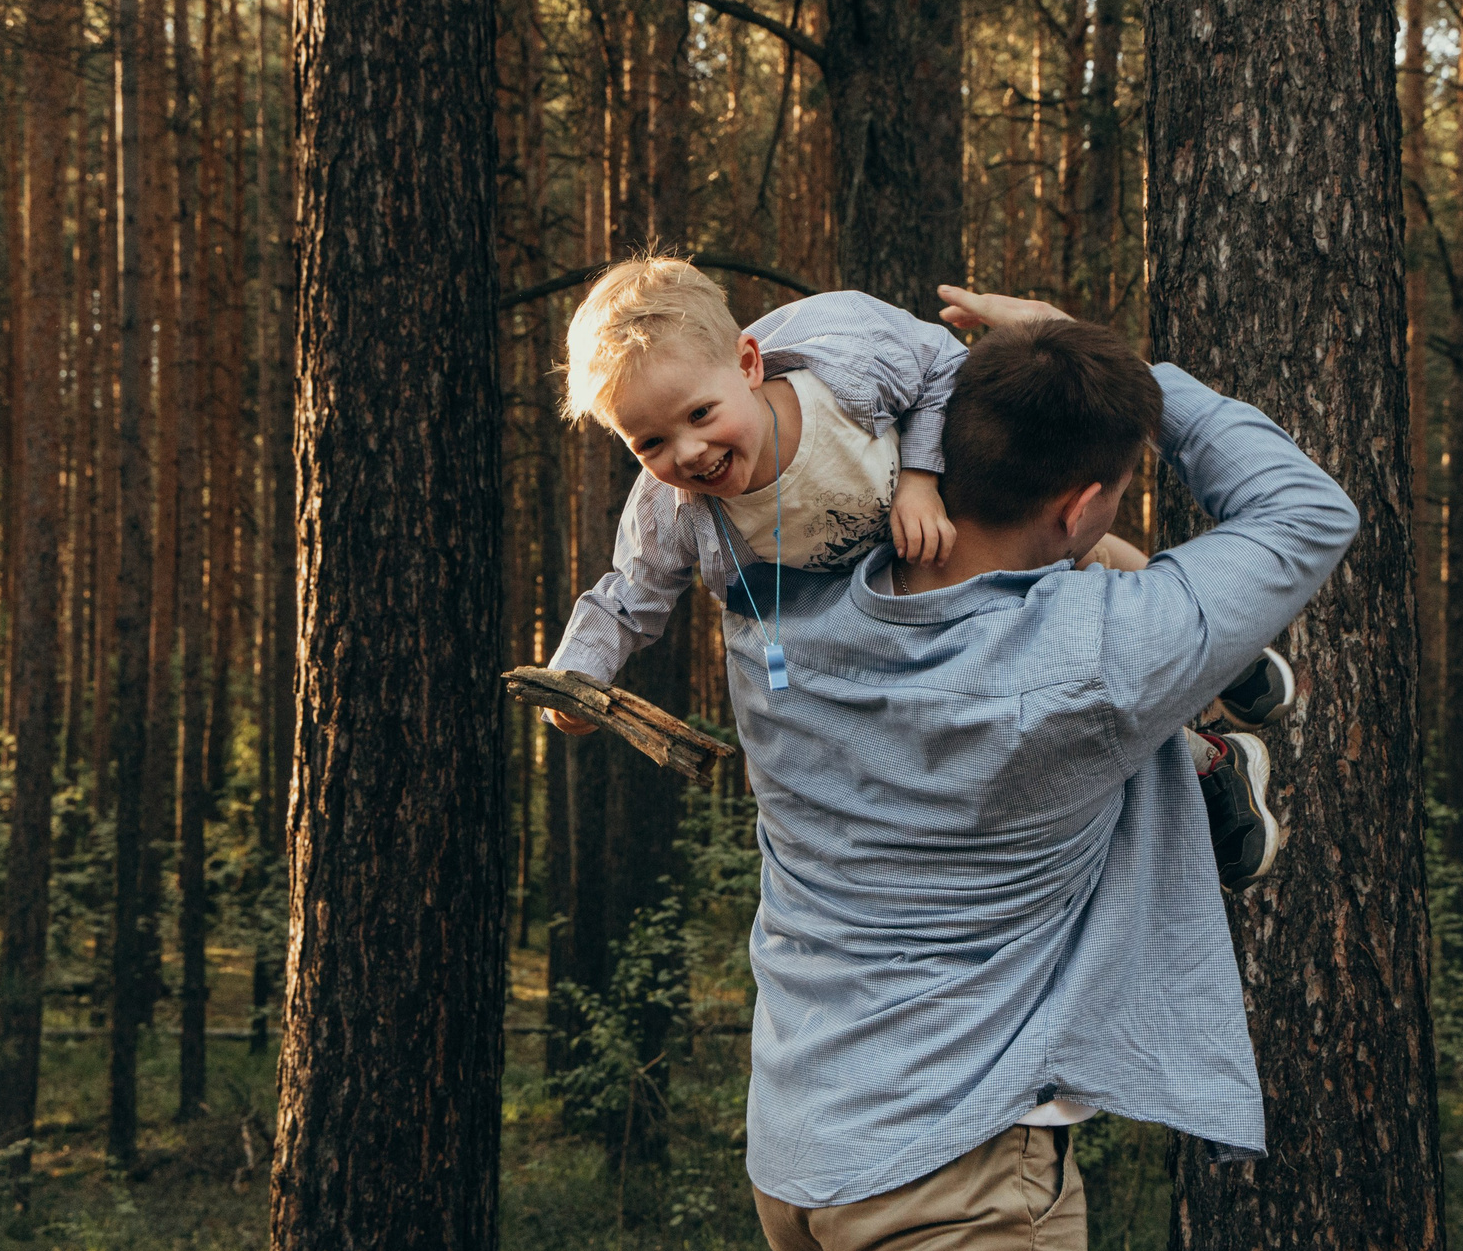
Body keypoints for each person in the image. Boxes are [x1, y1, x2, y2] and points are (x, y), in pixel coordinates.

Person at [729, 287, 1359, 1251]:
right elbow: (1307, 511)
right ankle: (1208, 766)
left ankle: (1207, 766)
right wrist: (1137, 382)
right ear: (1078, 507)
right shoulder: (1092, 657)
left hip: (805, 1156)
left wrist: (987, 380)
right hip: (952, 1189)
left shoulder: (777, 599)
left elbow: (764, 408)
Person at [541, 255, 1295, 888]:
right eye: (649, 443)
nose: (688, 453)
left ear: (747, 363)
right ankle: (1211, 761)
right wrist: (576, 674)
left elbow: (943, 365)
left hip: (943, 517)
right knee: (1013, 699)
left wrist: (921, 478)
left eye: (701, 415)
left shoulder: (844, 358)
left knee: (1072, 573)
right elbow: (628, 594)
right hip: (866, 614)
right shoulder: (670, 509)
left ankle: (1209, 641)